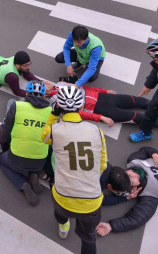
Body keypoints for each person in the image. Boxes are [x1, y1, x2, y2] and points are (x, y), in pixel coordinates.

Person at [41, 84, 106, 254]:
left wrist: (53, 115)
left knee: (60, 211)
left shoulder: (54, 131)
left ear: (59, 106)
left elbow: (44, 135)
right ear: (82, 106)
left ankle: (63, 226)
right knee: (88, 238)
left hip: (64, 196)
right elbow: (102, 164)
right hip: (91, 200)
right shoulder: (96, 131)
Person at [46, 82, 158, 131]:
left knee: (138, 101)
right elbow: (80, 114)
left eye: (44, 82)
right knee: (139, 118)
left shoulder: (61, 84)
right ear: (44, 93)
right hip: (101, 109)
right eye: (43, 86)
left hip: (104, 97)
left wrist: (104, 91)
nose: (46, 83)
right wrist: (101, 117)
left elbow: (85, 88)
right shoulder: (55, 102)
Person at [0, 81, 52, 206]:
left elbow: (7, 131)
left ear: (27, 94)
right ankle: (33, 173)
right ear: (44, 96)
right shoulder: (51, 112)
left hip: (16, 159)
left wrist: (8, 145)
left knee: (3, 160)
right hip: (40, 162)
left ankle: (23, 184)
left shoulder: (17, 106)